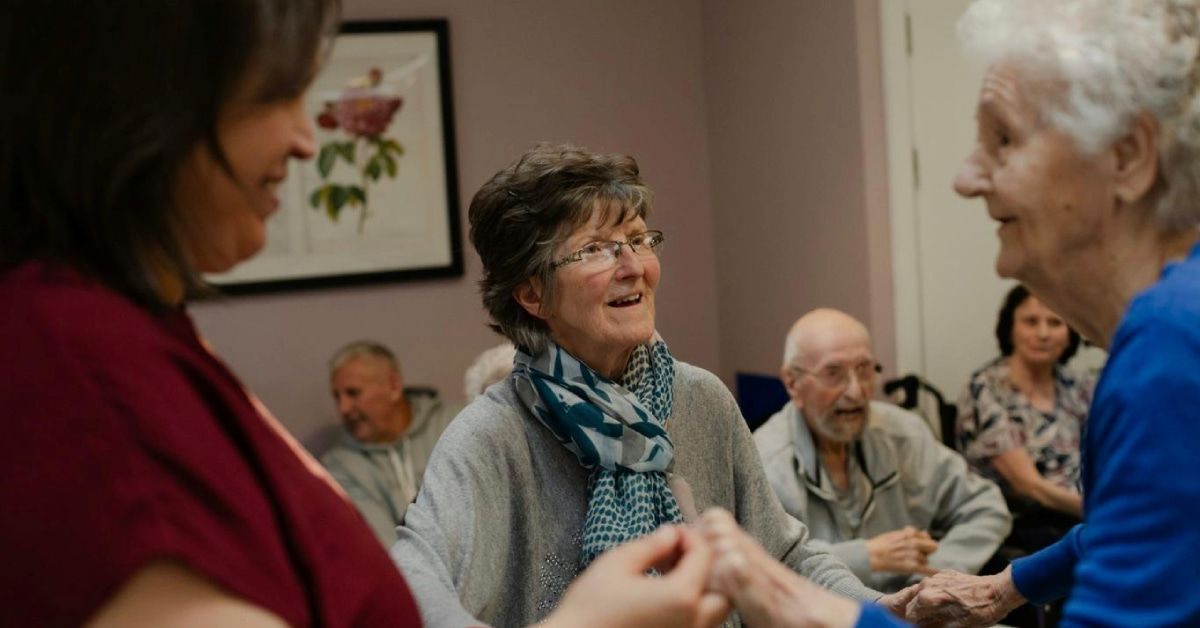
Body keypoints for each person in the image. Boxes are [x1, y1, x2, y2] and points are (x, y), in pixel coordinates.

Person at [0, 3, 733, 628]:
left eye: (638, 241)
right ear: (149, 103)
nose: (305, 137)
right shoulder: (72, 375)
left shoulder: (148, 336)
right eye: (275, 94)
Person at [701, 1, 1200, 627]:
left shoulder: (1169, 348)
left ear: (1127, 157)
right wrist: (1006, 587)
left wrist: (804, 605)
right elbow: (1134, 526)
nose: (966, 178)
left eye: (1004, 138)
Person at [391, 143, 897, 628]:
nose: (634, 268)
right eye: (595, 250)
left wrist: (891, 611)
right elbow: (411, 585)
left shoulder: (701, 398)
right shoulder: (492, 435)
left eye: (638, 240)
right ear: (532, 294)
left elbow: (784, 556)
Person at [757, 309, 1010, 593]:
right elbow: (760, 568)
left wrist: (933, 580)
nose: (856, 392)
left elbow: (986, 507)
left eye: (865, 369)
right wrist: (864, 556)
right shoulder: (765, 462)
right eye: (833, 374)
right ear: (792, 382)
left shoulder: (904, 433)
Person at [958, 285, 1092, 553]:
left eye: (1055, 323)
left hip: (1082, 514)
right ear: (1011, 328)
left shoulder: (1078, 385)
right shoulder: (985, 388)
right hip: (1023, 524)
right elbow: (1030, 487)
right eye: (1031, 322)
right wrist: (1100, 512)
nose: (1043, 334)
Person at [321, 340, 460, 546]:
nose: (344, 408)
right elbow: (385, 550)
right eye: (337, 397)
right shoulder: (340, 467)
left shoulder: (455, 424)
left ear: (394, 386)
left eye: (353, 393)